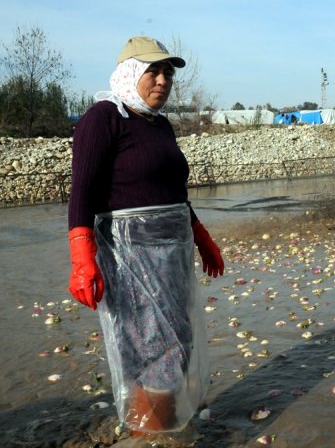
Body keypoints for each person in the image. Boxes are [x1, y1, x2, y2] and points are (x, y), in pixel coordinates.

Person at [67, 36, 225, 436]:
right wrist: (82, 257)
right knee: (151, 347)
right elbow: (82, 191)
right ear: (129, 73)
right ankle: (150, 436)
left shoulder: (160, 126)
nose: (162, 81)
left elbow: (173, 192)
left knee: (178, 338)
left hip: (172, 255)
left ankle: (166, 424)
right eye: (152, 71)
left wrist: (200, 235)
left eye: (167, 73)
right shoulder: (103, 118)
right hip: (130, 256)